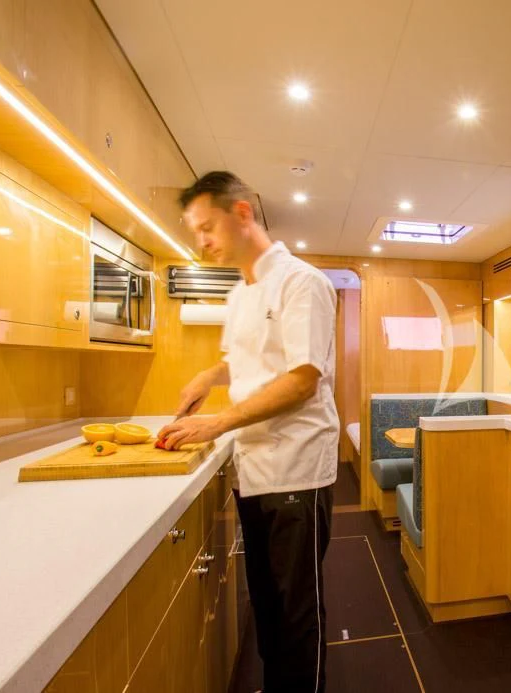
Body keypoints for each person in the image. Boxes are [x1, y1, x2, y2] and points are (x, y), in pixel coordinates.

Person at [159, 171, 339, 693]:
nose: (203, 242)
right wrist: (209, 376)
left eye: (207, 226)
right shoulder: (240, 294)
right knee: (264, 600)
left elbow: (303, 379)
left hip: (297, 469)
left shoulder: (303, 282)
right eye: (196, 232)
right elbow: (245, 358)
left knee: (296, 609)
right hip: (255, 467)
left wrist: (217, 422)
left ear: (241, 213)